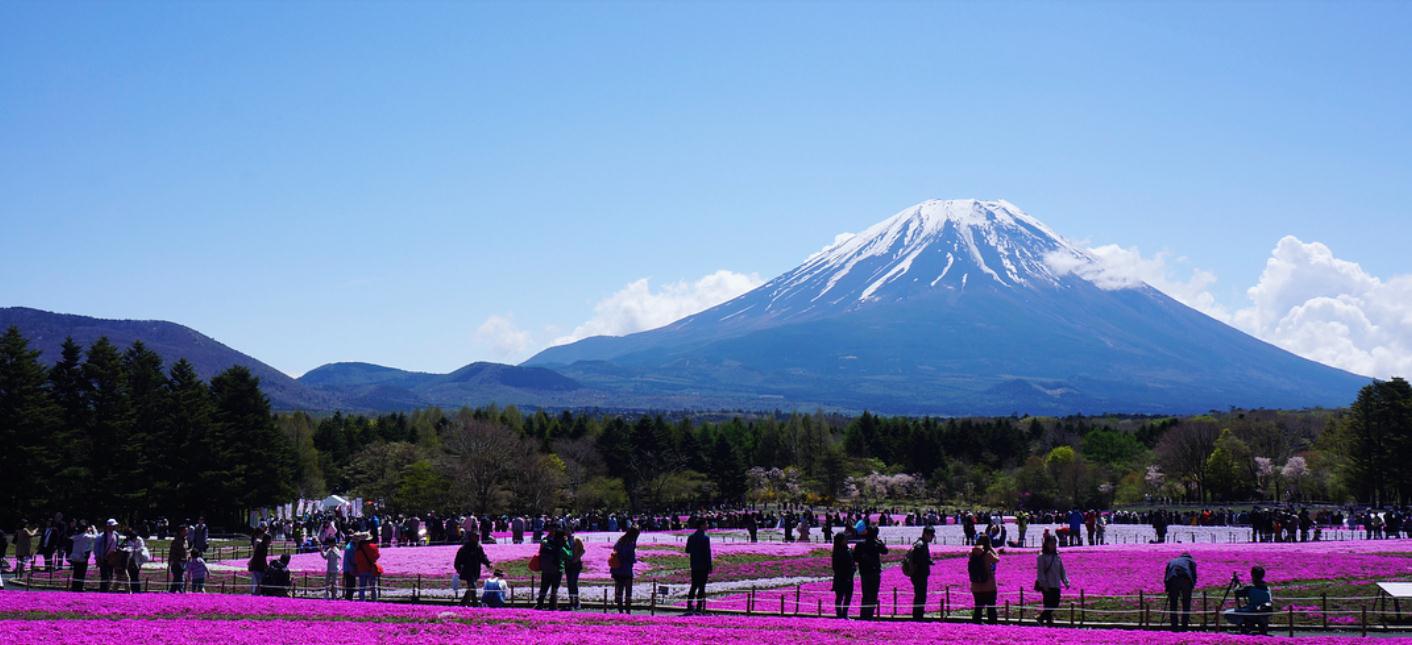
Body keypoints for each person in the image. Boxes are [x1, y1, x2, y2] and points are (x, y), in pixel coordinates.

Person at [1225, 566, 1274, 635]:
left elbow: (1237, 592)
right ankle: (1251, 625)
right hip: (1264, 612)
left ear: (1252, 575)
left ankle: (1245, 626)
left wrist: (1236, 584)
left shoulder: (1250, 587)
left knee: (1228, 613)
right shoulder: (1267, 588)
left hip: (1252, 612)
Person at [852, 525, 888, 619]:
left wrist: (862, 558)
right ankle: (870, 615)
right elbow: (885, 551)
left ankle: (864, 615)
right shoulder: (876, 543)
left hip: (864, 572)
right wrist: (879, 541)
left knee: (866, 594)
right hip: (875, 572)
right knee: (873, 594)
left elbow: (855, 558)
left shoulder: (860, 544)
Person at [1034, 533, 1070, 626]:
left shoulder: (1057, 556)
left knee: (1055, 603)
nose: (1053, 546)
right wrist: (1044, 584)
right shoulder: (1041, 557)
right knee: (1049, 604)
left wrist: (1066, 581)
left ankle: (1041, 618)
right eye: (1051, 544)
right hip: (1046, 585)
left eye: (1054, 544)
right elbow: (1040, 572)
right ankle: (1049, 623)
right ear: (1046, 544)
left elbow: (1062, 570)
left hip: (1056, 584)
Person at [968, 535, 1000, 624]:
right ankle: (992, 625)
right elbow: (997, 559)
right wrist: (992, 549)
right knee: (991, 608)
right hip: (989, 585)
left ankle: (976, 625)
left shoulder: (971, 553)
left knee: (978, 607)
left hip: (975, 585)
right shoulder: (988, 554)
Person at [455, 532, 492, 606]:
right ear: (471, 537)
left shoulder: (478, 547)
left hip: (475, 571)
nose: (477, 539)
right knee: (472, 586)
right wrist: (459, 569)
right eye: (476, 537)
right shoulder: (464, 548)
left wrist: (488, 563)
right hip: (467, 571)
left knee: (471, 587)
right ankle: (475, 604)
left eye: (478, 537)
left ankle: (462, 604)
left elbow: (483, 557)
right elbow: (457, 561)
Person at [684, 519, 713, 615]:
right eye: (706, 524)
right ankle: (699, 607)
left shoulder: (691, 537)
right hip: (703, 565)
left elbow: (687, 550)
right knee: (702, 587)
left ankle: (689, 605)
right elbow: (707, 554)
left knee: (693, 586)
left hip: (694, 565)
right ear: (701, 526)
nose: (707, 525)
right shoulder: (705, 538)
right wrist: (710, 566)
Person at [907, 526, 936, 620]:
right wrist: (928, 561)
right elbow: (918, 560)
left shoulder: (922, 543)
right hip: (919, 574)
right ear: (925, 534)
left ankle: (919, 614)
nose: (932, 537)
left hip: (920, 574)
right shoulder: (920, 544)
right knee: (920, 595)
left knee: (920, 595)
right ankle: (918, 616)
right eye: (931, 535)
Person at [1164, 552, 1198, 630]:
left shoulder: (1172, 561)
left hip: (1173, 580)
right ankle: (1184, 626)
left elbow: (1166, 574)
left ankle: (1174, 625)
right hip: (1185, 580)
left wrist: (1167, 587)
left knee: (1173, 603)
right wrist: (1192, 586)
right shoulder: (1191, 561)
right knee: (1186, 603)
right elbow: (1194, 575)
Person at [535, 528, 565, 610]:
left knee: (543, 587)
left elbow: (540, 552)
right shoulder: (560, 545)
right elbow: (568, 555)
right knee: (554, 589)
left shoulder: (545, 542)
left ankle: (539, 604)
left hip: (546, 569)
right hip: (556, 569)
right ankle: (552, 606)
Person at [611, 527, 639, 613]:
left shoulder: (621, 540)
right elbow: (630, 557)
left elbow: (615, 550)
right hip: (626, 569)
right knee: (628, 591)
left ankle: (620, 610)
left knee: (619, 590)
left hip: (617, 569)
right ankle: (628, 610)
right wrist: (634, 560)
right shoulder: (631, 543)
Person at [830, 531, 856, 619]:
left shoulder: (846, 549)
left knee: (846, 597)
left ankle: (844, 614)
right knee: (840, 597)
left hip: (847, 577)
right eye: (845, 539)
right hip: (842, 578)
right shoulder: (838, 552)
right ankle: (840, 615)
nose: (846, 540)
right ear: (840, 541)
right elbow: (836, 567)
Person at [68, 522, 97, 592]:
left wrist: (88, 531)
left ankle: (74, 586)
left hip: (75, 557)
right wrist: (94, 529)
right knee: (82, 573)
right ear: (86, 529)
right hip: (83, 557)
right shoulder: (86, 536)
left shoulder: (76, 537)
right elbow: (96, 537)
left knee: (76, 573)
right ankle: (80, 587)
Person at [354, 531, 382, 601]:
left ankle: (362, 601)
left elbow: (356, 559)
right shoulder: (374, 546)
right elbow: (377, 556)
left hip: (362, 569)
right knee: (373, 587)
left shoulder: (358, 548)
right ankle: (374, 601)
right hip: (371, 569)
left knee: (362, 587)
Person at [95, 519, 120, 592]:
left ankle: (107, 589)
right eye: (113, 526)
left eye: (115, 526)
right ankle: (103, 590)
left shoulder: (116, 534)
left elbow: (116, 545)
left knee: (111, 575)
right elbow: (97, 548)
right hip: (104, 558)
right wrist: (98, 557)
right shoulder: (101, 536)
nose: (114, 527)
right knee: (104, 576)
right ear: (108, 526)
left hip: (112, 559)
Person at [118, 528, 146, 593]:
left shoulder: (139, 539)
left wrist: (134, 550)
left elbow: (142, 547)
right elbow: (124, 547)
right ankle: (131, 589)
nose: (134, 540)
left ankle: (137, 590)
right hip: (129, 560)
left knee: (135, 575)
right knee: (130, 575)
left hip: (137, 559)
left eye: (135, 538)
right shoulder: (128, 540)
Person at [565, 529, 585, 610]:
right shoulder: (564, 540)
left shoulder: (577, 539)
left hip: (576, 564)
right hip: (568, 564)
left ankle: (576, 601)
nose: (566, 532)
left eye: (567, 530)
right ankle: (571, 601)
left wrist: (576, 559)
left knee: (573, 582)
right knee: (569, 582)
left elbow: (583, 550)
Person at [248, 531, 272, 595]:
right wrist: (266, 567)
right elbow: (262, 559)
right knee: (259, 582)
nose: (270, 542)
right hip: (258, 567)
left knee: (256, 582)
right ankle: (256, 595)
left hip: (255, 566)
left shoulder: (260, 545)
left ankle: (255, 593)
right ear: (267, 540)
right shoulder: (264, 547)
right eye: (270, 540)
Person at [168, 525, 189, 593]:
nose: (187, 532)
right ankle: (181, 591)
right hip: (177, 562)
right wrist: (171, 561)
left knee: (177, 579)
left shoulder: (185, 540)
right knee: (178, 578)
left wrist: (188, 557)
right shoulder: (176, 541)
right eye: (185, 531)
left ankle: (172, 592)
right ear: (181, 532)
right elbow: (172, 552)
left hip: (183, 562)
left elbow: (186, 551)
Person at [341, 535, 358, 601]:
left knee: (349, 585)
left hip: (347, 569)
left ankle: (348, 599)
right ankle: (348, 600)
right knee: (350, 586)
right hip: (350, 569)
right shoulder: (351, 548)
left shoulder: (349, 546)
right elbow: (353, 560)